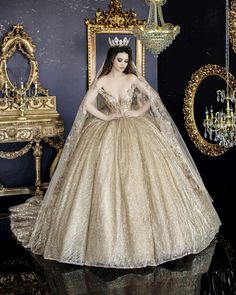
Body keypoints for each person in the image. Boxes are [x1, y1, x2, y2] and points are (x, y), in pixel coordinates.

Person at [10, 37, 221, 269]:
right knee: (105, 177)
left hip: (137, 128)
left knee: (143, 177)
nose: (123, 64)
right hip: (106, 131)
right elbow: (87, 106)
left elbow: (152, 97)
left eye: (126, 60)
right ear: (111, 59)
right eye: (120, 60)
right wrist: (106, 116)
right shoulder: (101, 81)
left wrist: (137, 111)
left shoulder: (131, 78)